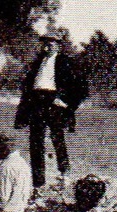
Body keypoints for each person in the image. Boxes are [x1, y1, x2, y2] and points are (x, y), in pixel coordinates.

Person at [14, 29, 90, 189]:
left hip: (54, 103)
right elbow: (27, 87)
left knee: (57, 138)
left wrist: (66, 102)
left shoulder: (66, 62)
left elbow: (82, 87)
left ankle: (64, 173)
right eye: (45, 44)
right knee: (36, 141)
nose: (47, 47)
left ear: (58, 46)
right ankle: (38, 181)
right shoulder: (37, 63)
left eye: (50, 43)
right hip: (37, 102)